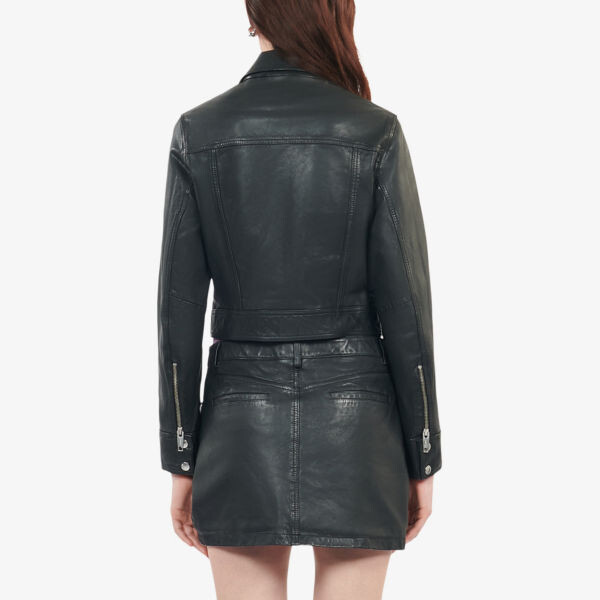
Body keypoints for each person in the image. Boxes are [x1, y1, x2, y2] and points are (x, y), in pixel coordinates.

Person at [156, 1, 442, 598]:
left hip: (238, 422)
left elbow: (176, 313)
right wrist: (423, 454)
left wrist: (181, 456)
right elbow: (408, 311)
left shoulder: (199, 131)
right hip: (359, 425)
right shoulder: (373, 130)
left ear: (253, 17)